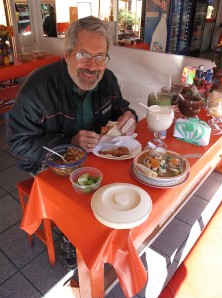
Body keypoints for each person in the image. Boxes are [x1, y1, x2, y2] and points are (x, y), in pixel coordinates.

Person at [8, 16, 138, 269]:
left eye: (100, 56)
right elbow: (18, 142)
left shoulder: (107, 78)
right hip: (52, 160)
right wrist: (69, 143)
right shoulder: (36, 87)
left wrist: (129, 116)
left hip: (96, 151)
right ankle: (72, 237)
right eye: (83, 55)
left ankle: (114, 235)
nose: (92, 66)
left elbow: (120, 108)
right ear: (67, 54)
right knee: (79, 194)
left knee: (123, 178)